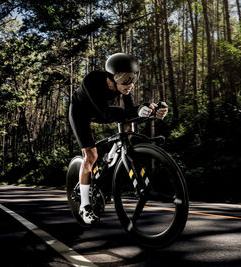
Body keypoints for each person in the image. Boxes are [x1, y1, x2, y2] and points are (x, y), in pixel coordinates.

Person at [69, 53, 168, 224]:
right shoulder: (91, 81)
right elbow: (106, 114)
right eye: (125, 79)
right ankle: (84, 207)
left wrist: (151, 111)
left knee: (128, 124)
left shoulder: (124, 86)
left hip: (101, 111)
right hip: (81, 113)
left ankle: (115, 160)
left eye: (134, 77)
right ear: (111, 77)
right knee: (91, 156)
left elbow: (130, 112)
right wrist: (137, 110)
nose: (130, 84)